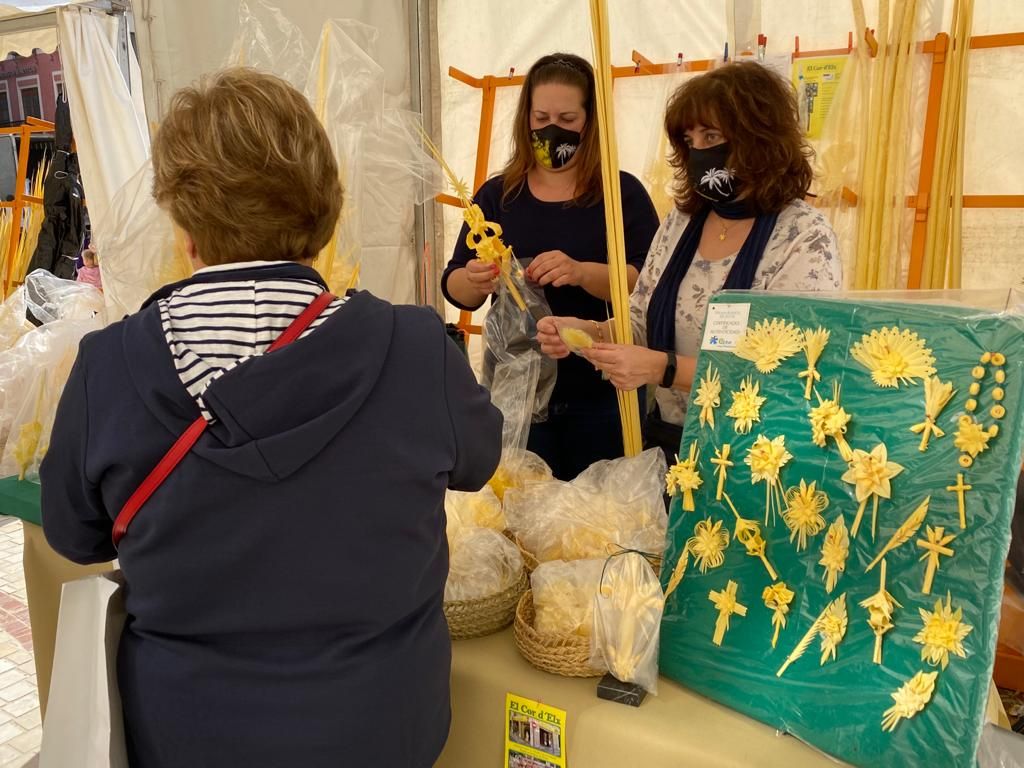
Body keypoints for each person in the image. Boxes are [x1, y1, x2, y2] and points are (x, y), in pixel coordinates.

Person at [40, 68, 502, 768]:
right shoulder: (416, 351)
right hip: (383, 731)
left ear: (185, 224)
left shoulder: (109, 367)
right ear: (324, 211)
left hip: (188, 736)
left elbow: (76, 536)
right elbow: (479, 457)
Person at [537, 62, 842, 458]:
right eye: (689, 138)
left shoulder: (803, 236)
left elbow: (788, 371)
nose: (699, 150)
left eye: (711, 135)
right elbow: (641, 320)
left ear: (759, 139)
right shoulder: (681, 224)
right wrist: (590, 332)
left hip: (761, 455)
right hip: (670, 443)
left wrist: (661, 369)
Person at [442, 53, 659, 481]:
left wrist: (582, 272)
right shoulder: (497, 197)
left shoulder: (621, 195)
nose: (551, 129)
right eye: (541, 116)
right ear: (526, 119)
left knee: (601, 526)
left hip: (604, 394)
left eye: (566, 117)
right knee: (522, 520)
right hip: (517, 397)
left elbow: (646, 284)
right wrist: (474, 279)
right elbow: (455, 285)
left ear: (590, 121)